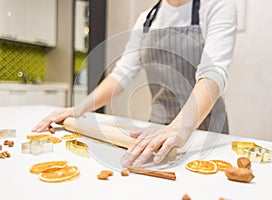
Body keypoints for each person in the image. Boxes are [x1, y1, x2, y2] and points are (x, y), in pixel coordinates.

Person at [32, 0, 237, 168]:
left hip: (206, 132)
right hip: (157, 128)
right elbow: (122, 73)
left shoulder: (217, 5)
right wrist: (79, 109)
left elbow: (213, 71)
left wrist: (180, 127)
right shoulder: (146, 19)